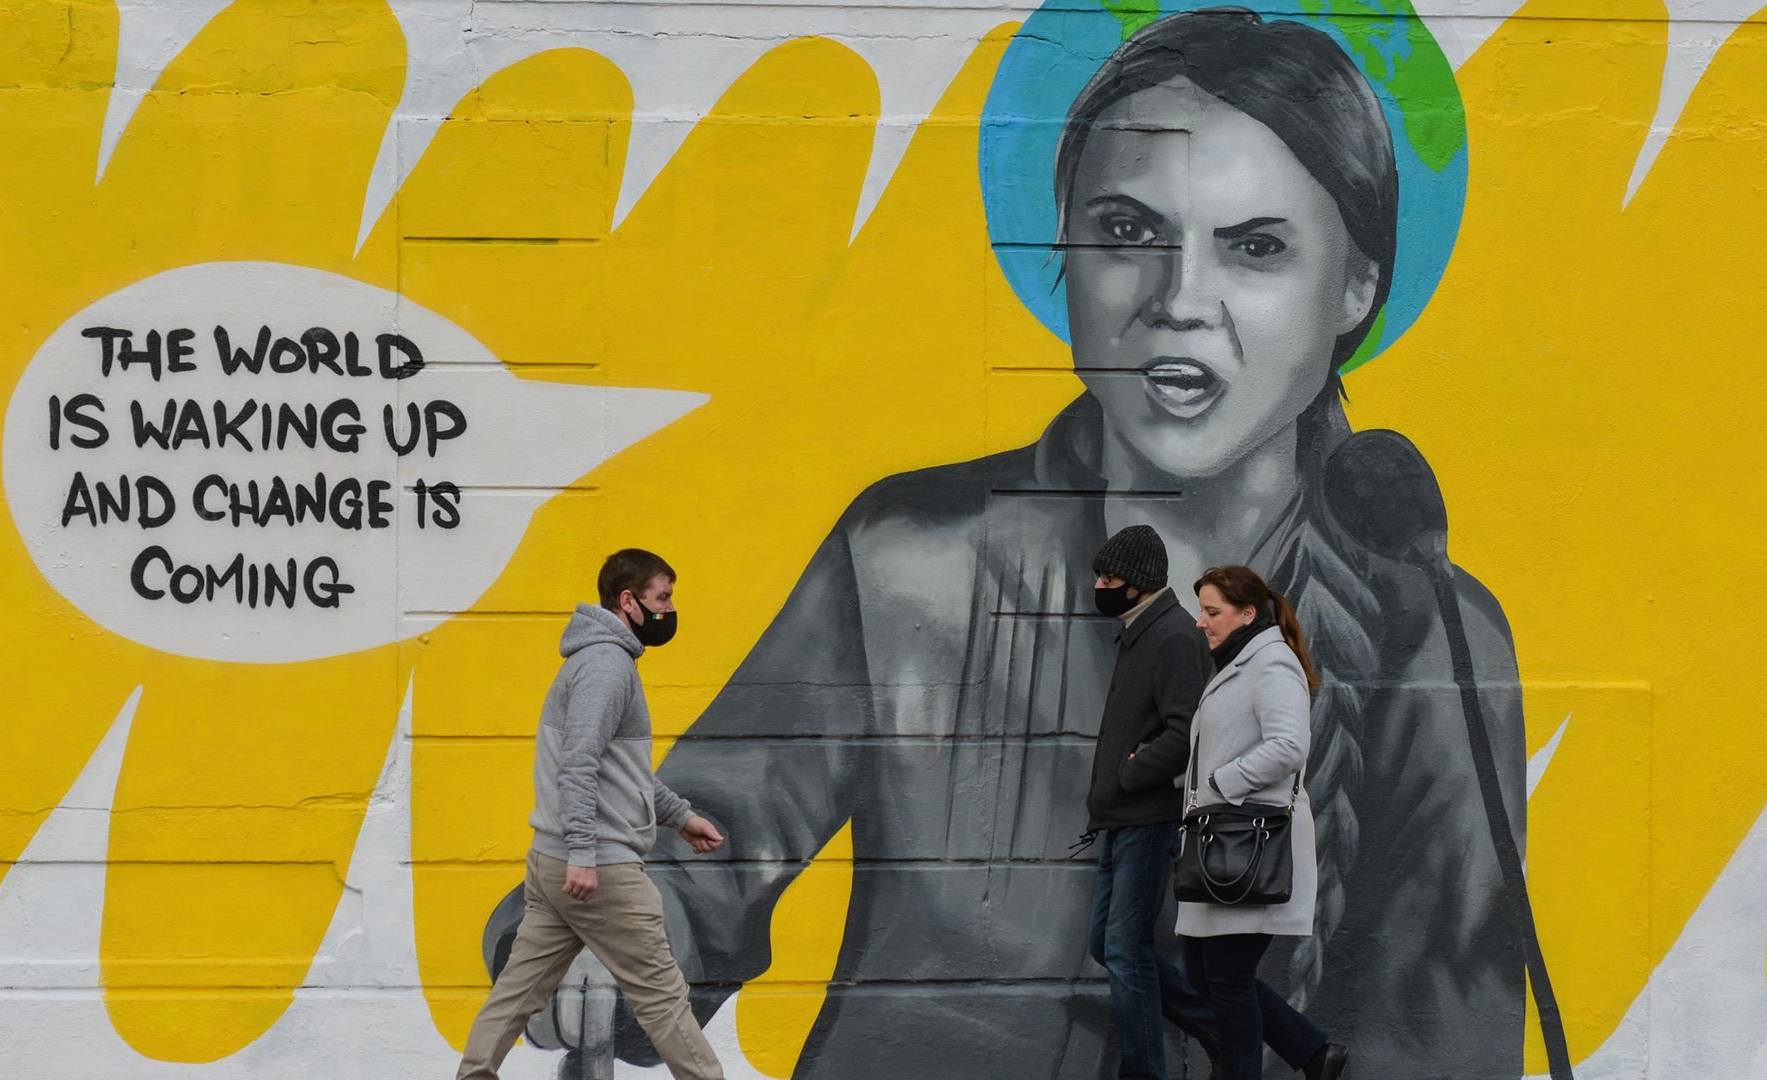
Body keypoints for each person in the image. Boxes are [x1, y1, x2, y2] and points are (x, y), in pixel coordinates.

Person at [488, 10, 1528, 1078]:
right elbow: (713, 834)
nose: (1180, 303)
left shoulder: (1433, 631)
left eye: (1255, 247)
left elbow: (1444, 1037)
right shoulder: (907, 560)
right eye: (1129, 232)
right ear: (1063, 255)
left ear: (1357, 287)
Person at [455, 549, 728, 1080]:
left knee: (516, 994)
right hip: (598, 869)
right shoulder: (607, 666)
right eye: (662, 599)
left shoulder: (593, 661)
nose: (669, 611)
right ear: (629, 602)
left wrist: (679, 816)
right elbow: (579, 765)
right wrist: (584, 853)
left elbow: (618, 769)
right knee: (664, 998)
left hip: (555, 863)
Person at [1178, 566, 1347, 1080]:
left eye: (1213, 612)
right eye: (1202, 611)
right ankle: (1314, 1054)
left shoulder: (1271, 663)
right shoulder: (1240, 663)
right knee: (1206, 977)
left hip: (1248, 842)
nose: (1202, 623)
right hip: (1220, 843)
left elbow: (1289, 746)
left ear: (1248, 613)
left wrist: (1221, 785)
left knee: (1226, 978)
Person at [1083, 524, 1218, 1079]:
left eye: (1109, 578)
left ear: (1138, 585)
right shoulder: (1143, 630)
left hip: (1148, 819)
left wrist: (1132, 773)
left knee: (1126, 949)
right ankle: (1220, 1030)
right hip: (1122, 818)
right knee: (1107, 943)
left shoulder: (1173, 638)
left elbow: (1186, 731)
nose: (1099, 586)